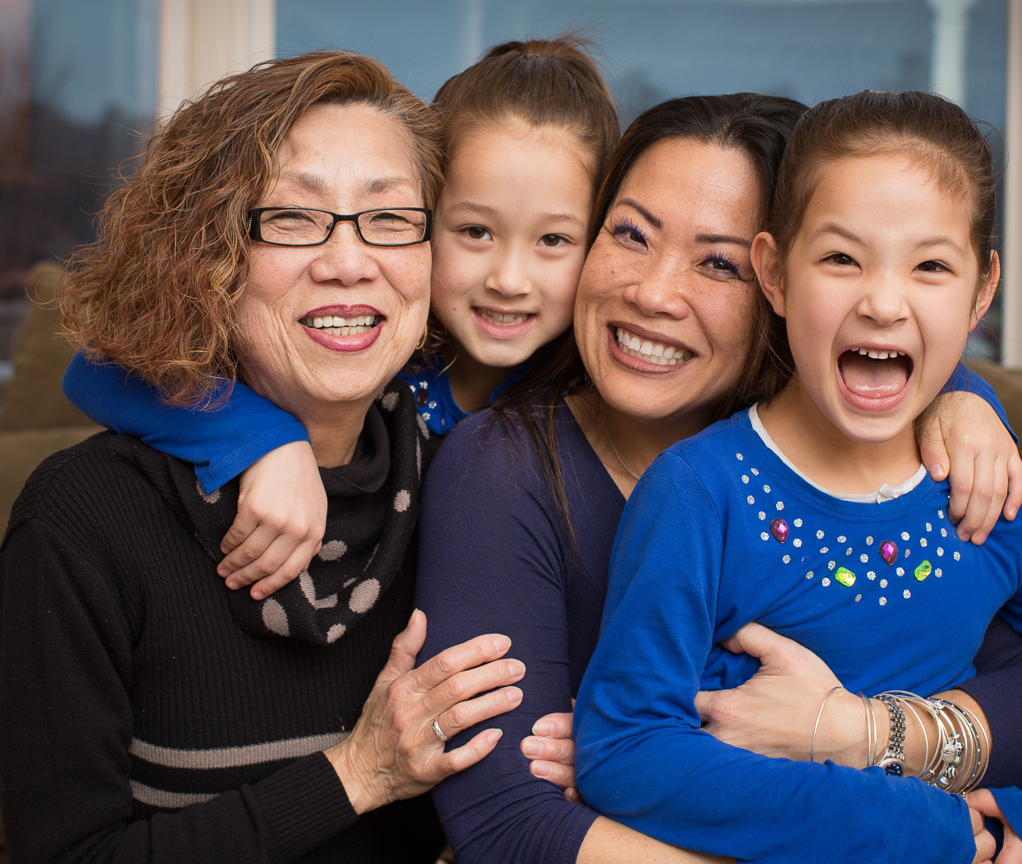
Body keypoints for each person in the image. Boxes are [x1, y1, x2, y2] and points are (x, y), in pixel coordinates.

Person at [415, 93, 1022, 864]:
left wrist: (864, 733)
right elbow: (512, 842)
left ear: (782, 283)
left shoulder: (845, 476)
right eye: (630, 234)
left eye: (719, 264)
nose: (655, 292)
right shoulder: (502, 467)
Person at [0, 52, 528, 864]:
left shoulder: (463, 488)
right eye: (293, 217)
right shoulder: (81, 520)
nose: (350, 261)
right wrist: (355, 773)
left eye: (392, 218)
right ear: (205, 253)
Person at [59, 36, 620, 599]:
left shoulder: (592, 403)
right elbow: (97, 371)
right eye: (475, 231)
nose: (509, 280)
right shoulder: (367, 355)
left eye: (553, 239)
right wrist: (264, 440)